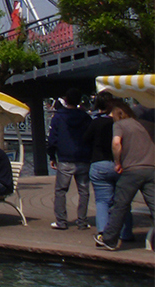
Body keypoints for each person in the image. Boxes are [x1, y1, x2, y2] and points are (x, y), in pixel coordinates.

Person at [95, 101, 155, 251]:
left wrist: (117, 162)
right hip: (151, 169)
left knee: (120, 205)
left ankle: (109, 239)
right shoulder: (146, 125)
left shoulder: (120, 125)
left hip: (131, 171)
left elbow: (116, 143)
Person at [83, 93, 134, 241]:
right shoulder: (122, 123)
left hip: (99, 163)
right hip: (120, 165)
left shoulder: (96, 122)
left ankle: (103, 233)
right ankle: (126, 233)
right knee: (123, 200)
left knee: (102, 201)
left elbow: (85, 139)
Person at [47, 88, 92, 230]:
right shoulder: (85, 117)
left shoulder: (58, 117)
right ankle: (82, 221)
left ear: (65, 100)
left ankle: (61, 221)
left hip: (65, 158)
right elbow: (90, 137)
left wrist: (52, 155)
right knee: (83, 191)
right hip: (83, 157)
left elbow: (53, 138)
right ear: (80, 101)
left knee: (61, 191)